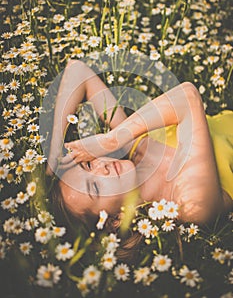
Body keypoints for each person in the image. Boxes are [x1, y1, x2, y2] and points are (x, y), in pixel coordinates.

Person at [46, 59, 233, 228]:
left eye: (88, 163)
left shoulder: (135, 147)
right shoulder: (189, 205)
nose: (101, 166)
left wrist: (54, 149)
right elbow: (189, 97)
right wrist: (112, 139)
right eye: (94, 187)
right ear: (114, 220)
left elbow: (78, 70)